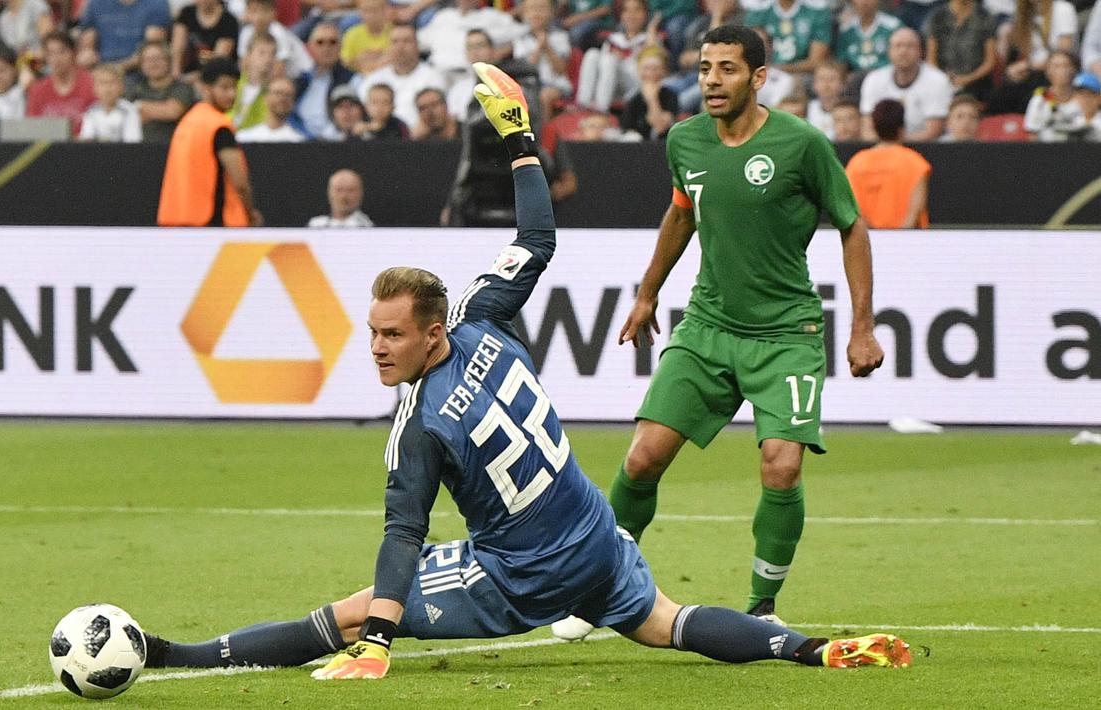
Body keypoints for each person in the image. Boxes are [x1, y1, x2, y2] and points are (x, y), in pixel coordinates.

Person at [137, 63, 912, 681]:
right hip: (596, 537)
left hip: (524, 575)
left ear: (430, 332)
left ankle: (176, 657)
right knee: (666, 623)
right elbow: (537, 236)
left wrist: (377, 638)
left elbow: (403, 536)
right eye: (371, 334)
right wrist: (520, 143)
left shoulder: (419, 424)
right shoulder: (479, 314)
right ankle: (804, 649)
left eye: (391, 335)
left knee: (350, 612)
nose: (376, 348)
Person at [565, 25, 884, 632]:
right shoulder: (685, 140)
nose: (712, 79)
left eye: (728, 69)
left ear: (758, 78)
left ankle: (763, 606)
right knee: (640, 461)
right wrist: (646, 293)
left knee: (781, 466)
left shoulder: (802, 144)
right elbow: (682, 211)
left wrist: (862, 328)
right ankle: (598, 589)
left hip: (785, 335)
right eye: (707, 68)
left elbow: (853, 226)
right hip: (707, 327)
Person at [157, 57, 263, 227]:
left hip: (176, 221)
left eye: (234, 87)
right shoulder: (219, 126)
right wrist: (250, 212)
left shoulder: (187, 122)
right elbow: (240, 181)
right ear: (205, 88)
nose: (232, 94)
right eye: (224, 87)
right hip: (210, 223)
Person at [845, 98, 931, 228]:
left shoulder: (857, 163)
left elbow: (853, 210)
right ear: (901, 128)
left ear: (874, 127)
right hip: (908, 243)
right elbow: (915, 212)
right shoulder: (915, 163)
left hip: (868, 241)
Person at [859, 27, 953, 142]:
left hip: (927, 149)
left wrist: (896, 144)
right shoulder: (873, 80)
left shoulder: (937, 80)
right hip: (882, 148)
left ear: (920, 51)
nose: (903, 51)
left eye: (910, 46)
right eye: (898, 46)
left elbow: (934, 130)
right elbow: (867, 128)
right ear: (889, 52)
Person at [293, 21, 356, 140]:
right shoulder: (300, 79)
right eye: (320, 42)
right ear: (310, 47)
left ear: (340, 46)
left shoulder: (352, 79)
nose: (326, 48)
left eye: (332, 42)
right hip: (299, 142)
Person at [26, 31, 97, 136]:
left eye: (62, 52)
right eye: (50, 53)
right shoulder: (38, 89)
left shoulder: (91, 84)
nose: (56, 59)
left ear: (74, 53)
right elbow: (31, 127)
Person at [924, 0, 997, 101]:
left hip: (976, 82)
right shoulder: (937, 16)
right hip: (943, 81)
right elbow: (931, 59)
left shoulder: (985, 16)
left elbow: (990, 61)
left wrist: (967, 78)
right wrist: (943, 79)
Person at [127, 39, 197, 143]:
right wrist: (157, 111)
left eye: (158, 58)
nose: (153, 63)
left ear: (168, 60)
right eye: (148, 60)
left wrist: (138, 105)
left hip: (174, 148)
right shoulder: (135, 88)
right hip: (140, 149)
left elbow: (172, 112)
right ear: (141, 65)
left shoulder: (182, 87)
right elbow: (125, 114)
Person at [744, 0, 832, 78]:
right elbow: (751, 55)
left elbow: (815, 61)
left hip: (803, 75)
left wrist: (778, 70)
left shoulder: (816, 12)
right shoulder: (758, 13)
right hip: (767, 74)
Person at [77, 0, 172, 71]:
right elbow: (87, 45)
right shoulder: (96, 3)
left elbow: (151, 49)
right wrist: (87, 54)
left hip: (139, 72)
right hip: (101, 71)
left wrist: (115, 69)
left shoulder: (157, 3)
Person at [172, 0, 240, 81]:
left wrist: (193, 78)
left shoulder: (228, 21)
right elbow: (177, 48)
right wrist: (176, 75)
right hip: (186, 72)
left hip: (216, 77)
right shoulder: (186, 13)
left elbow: (218, 61)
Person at [1023, 48, 1080, 140]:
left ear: (1074, 69)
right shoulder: (1040, 99)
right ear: (1048, 71)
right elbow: (1032, 134)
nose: (1062, 71)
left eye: (1066, 66)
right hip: (1047, 151)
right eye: (1056, 66)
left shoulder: (1083, 97)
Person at [79, 62, 143, 142]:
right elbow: (86, 140)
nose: (107, 88)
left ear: (121, 87)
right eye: (102, 83)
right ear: (94, 88)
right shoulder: (90, 111)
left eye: (112, 83)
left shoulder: (130, 110)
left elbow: (133, 143)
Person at [236, 75, 311, 141]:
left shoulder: (298, 140)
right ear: (266, 98)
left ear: (293, 102)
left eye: (288, 95)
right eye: (278, 93)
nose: (282, 98)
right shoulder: (244, 137)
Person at [307, 167, 374, 226]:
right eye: (339, 190)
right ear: (329, 192)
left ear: (360, 193)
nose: (344, 196)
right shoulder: (316, 225)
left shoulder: (366, 227)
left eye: (350, 191)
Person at [339, 0, 391, 74]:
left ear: (384, 11)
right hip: (359, 74)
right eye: (366, 11)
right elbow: (345, 61)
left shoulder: (395, 33)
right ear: (360, 13)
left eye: (375, 10)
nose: (371, 15)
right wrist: (359, 60)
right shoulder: (351, 33)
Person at [807, 59, 846, 138]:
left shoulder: (848, 110)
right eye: (821, 79)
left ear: (843, 84)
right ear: (814, 84)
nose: (826, 84)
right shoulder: (807, 108)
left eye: (832, 79)